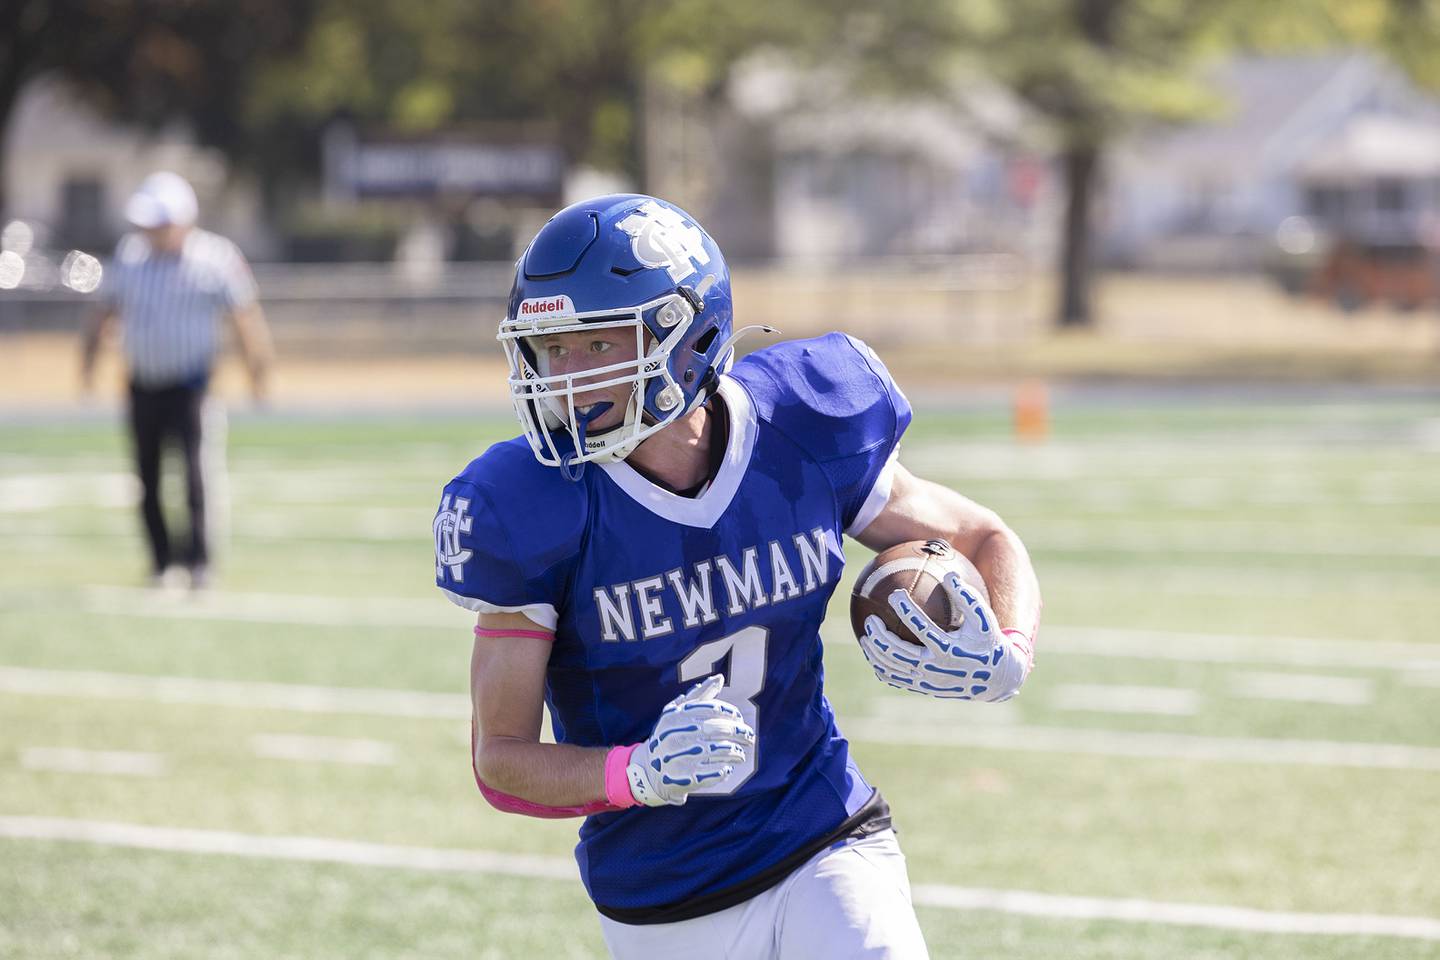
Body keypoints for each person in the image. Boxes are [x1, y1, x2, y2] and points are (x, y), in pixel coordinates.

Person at [432, 194, 1042, 959]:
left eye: (596, 347)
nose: (567, 378)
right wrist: (640, 774)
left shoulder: (803, 427)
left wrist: (1010, 650)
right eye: (552, 350)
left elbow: (984, 535)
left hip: (823, 831)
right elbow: (501, 762)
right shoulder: (530, 501)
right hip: (662, 893)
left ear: (688, 337)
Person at [80, 171, 273, 589]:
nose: (150, 231)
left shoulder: (215, 257)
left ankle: (199, 562)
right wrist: (89, 365)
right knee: (147, 478)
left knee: (195, 474)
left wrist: (257, 371)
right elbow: (103, 313)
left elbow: (245, 318)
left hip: (191, 385)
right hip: (143, 384)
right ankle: (161, 562)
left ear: (183, 219)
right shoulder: (129, 257)